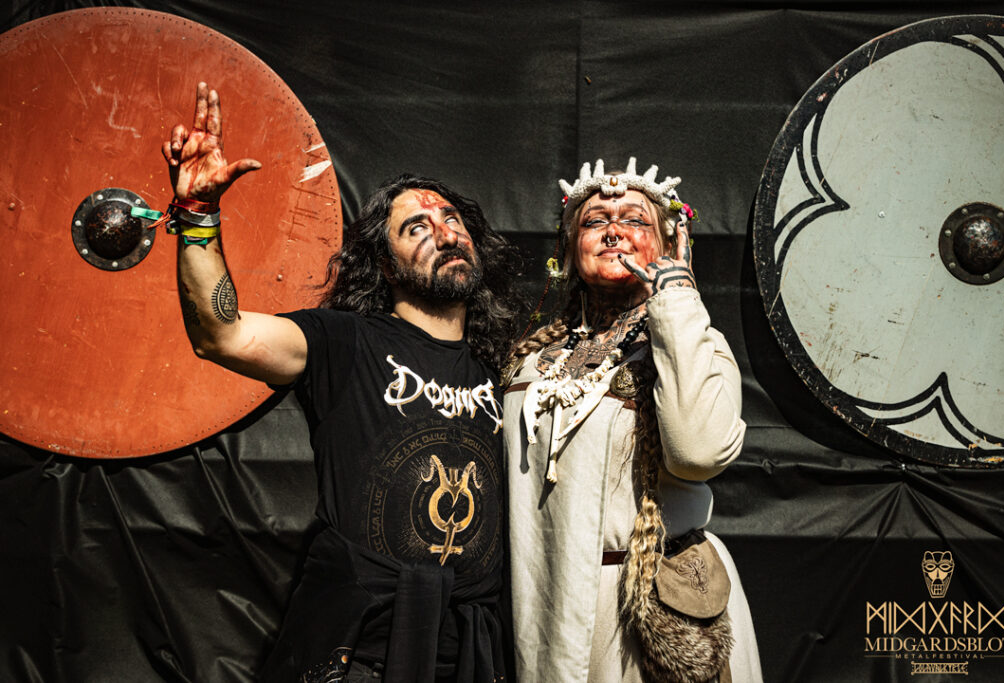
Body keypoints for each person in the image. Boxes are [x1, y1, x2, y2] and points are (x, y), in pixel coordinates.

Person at [162, 82, 522, 682]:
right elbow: (221, 333)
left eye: (451, 219)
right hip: (358, 654)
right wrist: (199, 215)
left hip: (469, 656)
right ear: (385, 265)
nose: (443, 233)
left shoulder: (503, 368)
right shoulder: (344, 342)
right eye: (416, 228)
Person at [502, 158, 762, 682]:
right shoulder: (529, 361)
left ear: (668, 246)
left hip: (641, 608)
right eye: (595, 221)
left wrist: (677, 299)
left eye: (635, 220)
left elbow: (697, 454)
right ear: (570, 250)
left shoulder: (696, 345)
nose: (613, 231)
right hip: (542, 604)